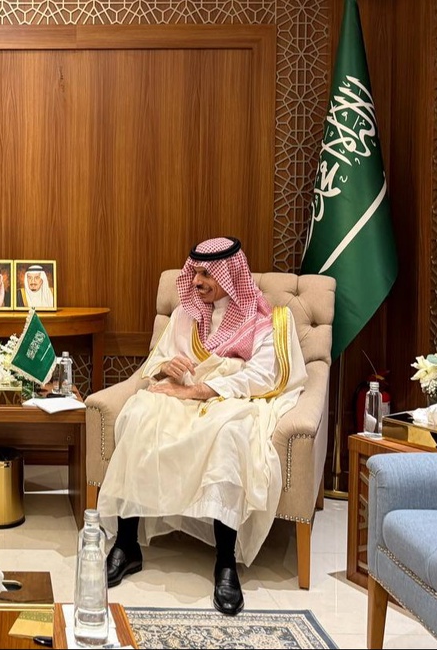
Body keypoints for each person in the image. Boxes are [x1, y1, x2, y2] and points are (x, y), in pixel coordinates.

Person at [96, 237, 307, 616]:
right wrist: (166, 367)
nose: (196, 281)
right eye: (194, 272)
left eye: (206, 273)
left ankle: (225, 562)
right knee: (138, 416)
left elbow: (263, 377)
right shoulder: (185, 314)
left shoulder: (267, 319)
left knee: (230, 435)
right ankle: (127, 545)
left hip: (231, 401)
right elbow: (156, 362)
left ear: (230, 275)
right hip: (179, 395)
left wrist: (201, 389)